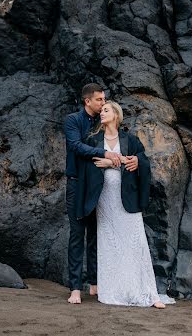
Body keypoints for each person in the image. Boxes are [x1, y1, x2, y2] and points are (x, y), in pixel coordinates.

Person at [76, 101, 175, 308]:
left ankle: (149, 293)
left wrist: (121, 161)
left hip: (127, 198)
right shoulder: (93, 140)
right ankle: (115, 290)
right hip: (104, 200)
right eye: (101, 110)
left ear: (116, 115)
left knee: (135, 242)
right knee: (110, 244)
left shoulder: (129, 139)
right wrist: (113, 160)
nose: (102, 113)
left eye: (106, 110)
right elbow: (89, 164)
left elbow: (143, 159)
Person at [64, 84, 130, 304]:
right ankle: (75, 288)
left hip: (96, 186)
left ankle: (94, 284)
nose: (103, 103)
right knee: (76, 235)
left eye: (104, 100)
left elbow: (124, 146)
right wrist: (105, 153)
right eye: (100, 100)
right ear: (87, 101)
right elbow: (76, 146)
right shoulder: (73, 120)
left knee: (94, 236)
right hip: (76, 184)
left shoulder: (103, 123)